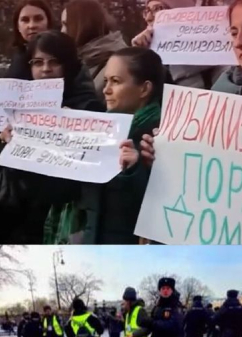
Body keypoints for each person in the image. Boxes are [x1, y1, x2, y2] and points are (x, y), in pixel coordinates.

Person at [0, 30, 103, 244]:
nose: (45, 69)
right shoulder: (13, 104)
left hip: (56, 227)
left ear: (68, 65)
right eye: (38, 62)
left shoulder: (86, 109)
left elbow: (69, 186)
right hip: (11, 225)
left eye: (54, 62)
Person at [51, 47, 164, 244]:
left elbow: (161, 211)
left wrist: (135, 171)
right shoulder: (98, 133)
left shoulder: (161, 138)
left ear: (144, 89)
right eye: (106, 81)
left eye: (116, 81)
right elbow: (65, 192)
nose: (106, 90)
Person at [131, 0, 226, 89]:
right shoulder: (151, 55)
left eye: (158, 9)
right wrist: (140, 58)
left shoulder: (222, 61)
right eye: (147, 11)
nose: (148, 17)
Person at [61, 0, 128, 104]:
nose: (62, 31)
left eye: (65, 24)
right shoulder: (79, 60)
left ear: (82, 25)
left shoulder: (118, 63)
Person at [4, 0, 54, 80]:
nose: (31, 25)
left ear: (48, 22)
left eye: (38, 19)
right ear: (18, 26)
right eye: (25, 20)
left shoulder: (63, 53)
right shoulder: (15, 59)